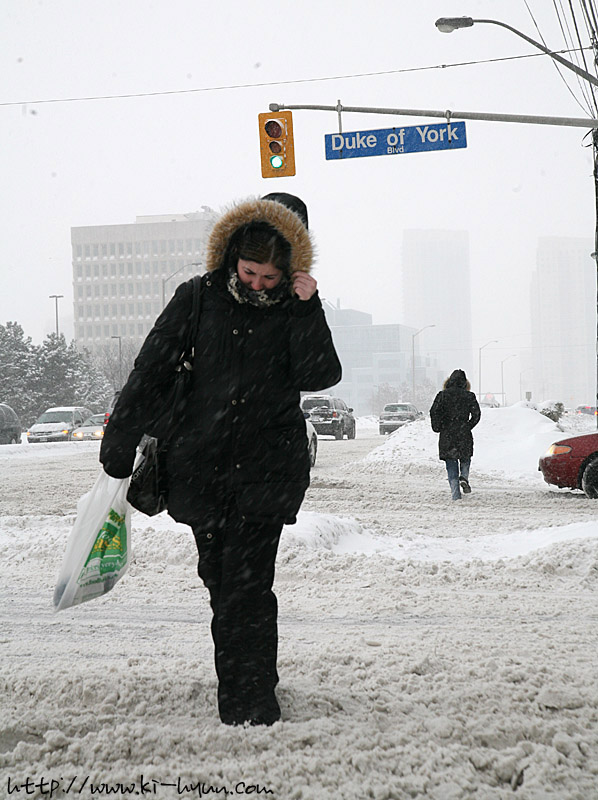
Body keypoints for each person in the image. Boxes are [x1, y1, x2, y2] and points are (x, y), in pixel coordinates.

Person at [100, 192, 342, 726]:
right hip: (201, 468)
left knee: (248, 586)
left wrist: (307, 307)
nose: (257, 284)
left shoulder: (295, 308)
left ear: (289, 271)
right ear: (232, 257)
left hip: (266, 471)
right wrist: (119, 440)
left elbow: (319, 374)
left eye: (268, 278)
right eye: (249, 272)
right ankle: (249, 679)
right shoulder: (196, 298)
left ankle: (250, 702)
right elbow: (151, 369)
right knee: (222, 582)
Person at [429, 369, 481, 501]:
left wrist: (438, 427)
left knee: (451, 462)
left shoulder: (442, 395)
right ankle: (464, 476)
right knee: (465, 457)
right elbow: (477, 414)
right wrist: (468, 426)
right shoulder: (469, 396)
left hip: (447, 433)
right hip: (463, 432)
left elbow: (434, 411)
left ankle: (455, 494)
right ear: (465, 383)